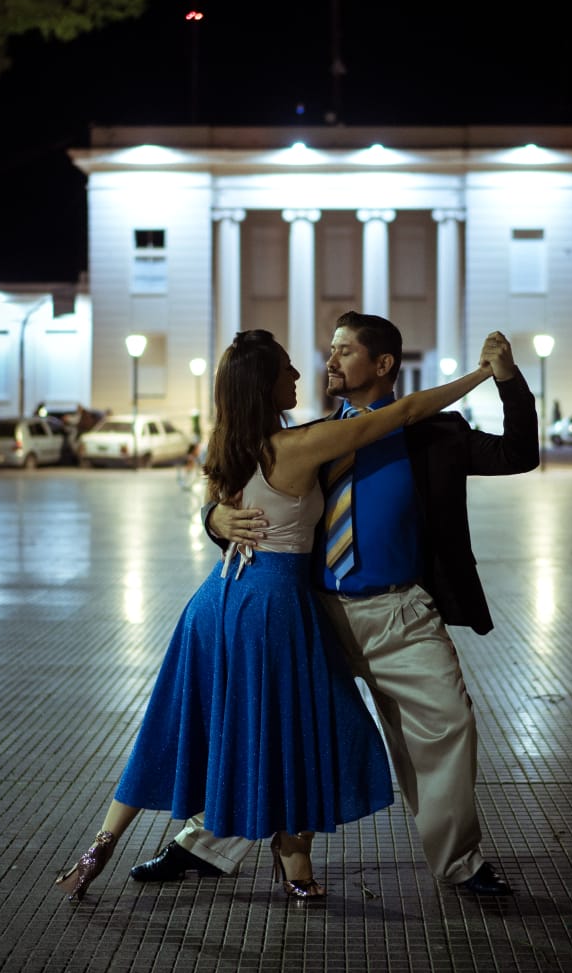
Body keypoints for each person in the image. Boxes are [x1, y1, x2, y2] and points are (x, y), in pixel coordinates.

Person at [54, 328, 495, 905]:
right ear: (267, 385)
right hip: (275, 609)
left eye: (330, 354)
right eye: (288, 368)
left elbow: (224, 504)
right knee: (301, 730)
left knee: (190, 724)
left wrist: (214, 517)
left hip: (217, 604)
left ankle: (102, 847)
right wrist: (483, 375)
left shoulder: (230, 444)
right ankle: (291, 865)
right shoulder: (299, 445)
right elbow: (407, 408)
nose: (303, 372)